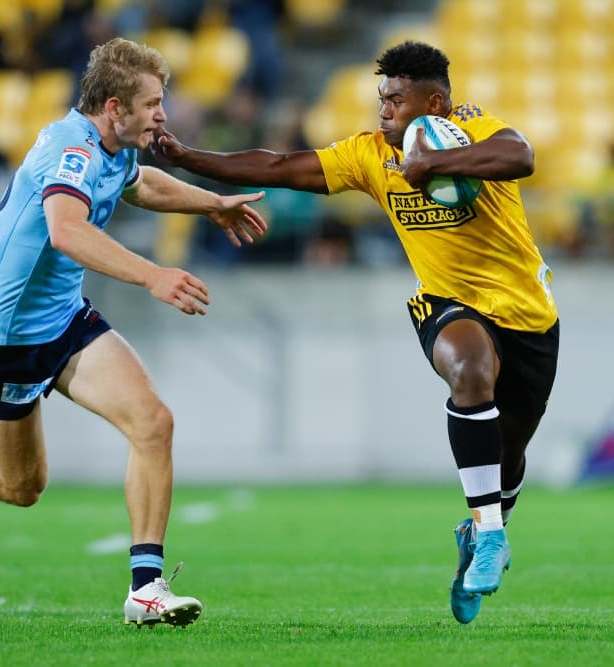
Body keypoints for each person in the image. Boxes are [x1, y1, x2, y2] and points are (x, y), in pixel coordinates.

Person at [154, 40, 559, 624]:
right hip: (447, 303)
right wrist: (186, 156)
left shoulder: (470, 127)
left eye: (396, 100)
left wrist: (436, 164)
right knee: (469, 369)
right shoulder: (370, 154)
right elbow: (278, 167)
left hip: (529, 313)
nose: (384, 110)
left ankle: (478, 531)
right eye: (381, 99)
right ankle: (493, 535)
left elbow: (520, 156)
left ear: (435, 102)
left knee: (509, 452)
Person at [0, 37, 267, 628]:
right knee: (21, 487)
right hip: (1, 340)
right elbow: (66, 232)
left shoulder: (116, 147)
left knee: (154, 423)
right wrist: (153, 275)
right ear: (113, 107)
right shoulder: (69, 150)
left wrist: (210, 204)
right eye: (152, 103)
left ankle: (146, 588)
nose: (162, 115)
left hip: (65, 322)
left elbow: (141, 184)